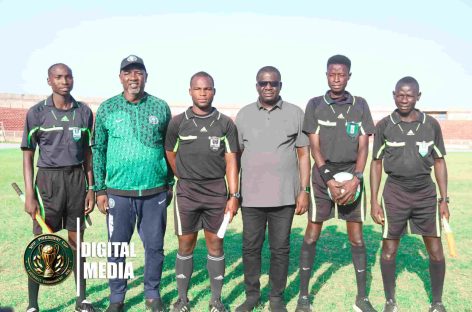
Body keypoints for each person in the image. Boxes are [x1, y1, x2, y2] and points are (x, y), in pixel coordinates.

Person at [93, 55, 174, 312]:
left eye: (138, 72)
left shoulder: (160, 107)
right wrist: (100, 189)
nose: (133, 78)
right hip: (118, 192)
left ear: (146, 77)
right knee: (117, 247)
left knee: (154, 246)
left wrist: (168, 182)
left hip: (154, 191)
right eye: (128, 73)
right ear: (120, 77)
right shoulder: (107, 108)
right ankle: (117, 298)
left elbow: (168, 147)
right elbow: (99, 150)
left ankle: (152, 294)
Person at [296, 55, 376, 312]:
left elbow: (364, 146)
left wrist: (357, 178)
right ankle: (304, 297)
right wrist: (329, 178)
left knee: (356, 238)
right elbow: (314, 146)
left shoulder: (360, 105)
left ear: (349, 76)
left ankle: (361, 298)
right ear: (326, 75)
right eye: (332, 74)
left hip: (352, 177)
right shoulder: (315, 105)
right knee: (312, 234)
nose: (337, 79)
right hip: (323, 179)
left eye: (342, 74)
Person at [21, 63, 96, 312]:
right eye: (59, 77)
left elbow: (87, 153)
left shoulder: (84, 112)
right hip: (48, 184)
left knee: (77, 243)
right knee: (44, 244)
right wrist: (30, 194)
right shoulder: (37, 113)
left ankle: (81, 299)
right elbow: (28, 156)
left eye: (68, 76)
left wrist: (91, 188)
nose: (65, 81)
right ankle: (33, 305)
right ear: (49, 81)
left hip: (76, 181)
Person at [235, 66, 310, 312]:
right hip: (251, 197)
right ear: (256, 85)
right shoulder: (244, 115)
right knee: (250, 248)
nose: (268, 87)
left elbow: (302, 154)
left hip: (284, 196)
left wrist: (303, 190)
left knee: (280, 249)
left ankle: (276, 298)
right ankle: (252, 295)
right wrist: (234, 193)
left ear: (281, 85)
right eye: (263, 83)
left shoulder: (295, 113)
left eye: (273, 83)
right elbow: (235, 156)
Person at [370, 76, 449, 312]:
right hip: (395, 192)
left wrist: (444, 200)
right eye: (400, 95)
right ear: (394, 95)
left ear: (418, 96)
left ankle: (437, 302)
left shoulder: (431, 124)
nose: (405, 100)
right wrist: (374, 201)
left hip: (425, 193)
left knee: (435, 250)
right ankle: (390, 301)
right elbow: (375, 164)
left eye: (410, 95)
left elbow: (439, 161)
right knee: (389, 249)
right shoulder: (384, 125)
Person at [165, 71, 239, 312]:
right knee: (185, 245)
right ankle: (182, 300)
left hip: (216, 192)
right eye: (198, 89)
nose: (203, 93)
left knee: (215, 245)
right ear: (190, 92)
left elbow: (231, 161)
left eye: (207, 89)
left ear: (214, 91)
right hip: (187, 192)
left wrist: (233, 195)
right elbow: (170, 155)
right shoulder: (178, 122)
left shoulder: (225, 123)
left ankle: (216, 300)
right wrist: (184, 175)